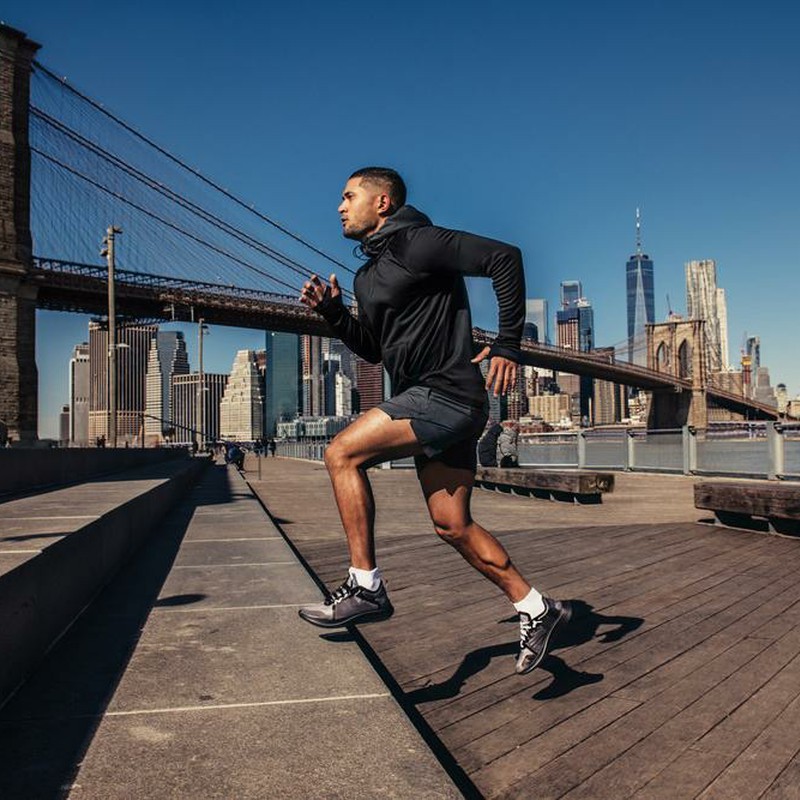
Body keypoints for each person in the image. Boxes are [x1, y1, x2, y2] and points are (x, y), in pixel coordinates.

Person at [297, 167, 569, 675]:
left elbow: (504, 257)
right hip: (433, 403)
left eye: (349, 196)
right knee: (452, 525)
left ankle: (365, 586)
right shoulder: (366, 277)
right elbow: (374, 349)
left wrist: (508, 344)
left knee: (340, 454)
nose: (339, 206)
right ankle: (536, 607)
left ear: (382, 203)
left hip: (445, 395)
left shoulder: (419, 242)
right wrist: (334, 314)